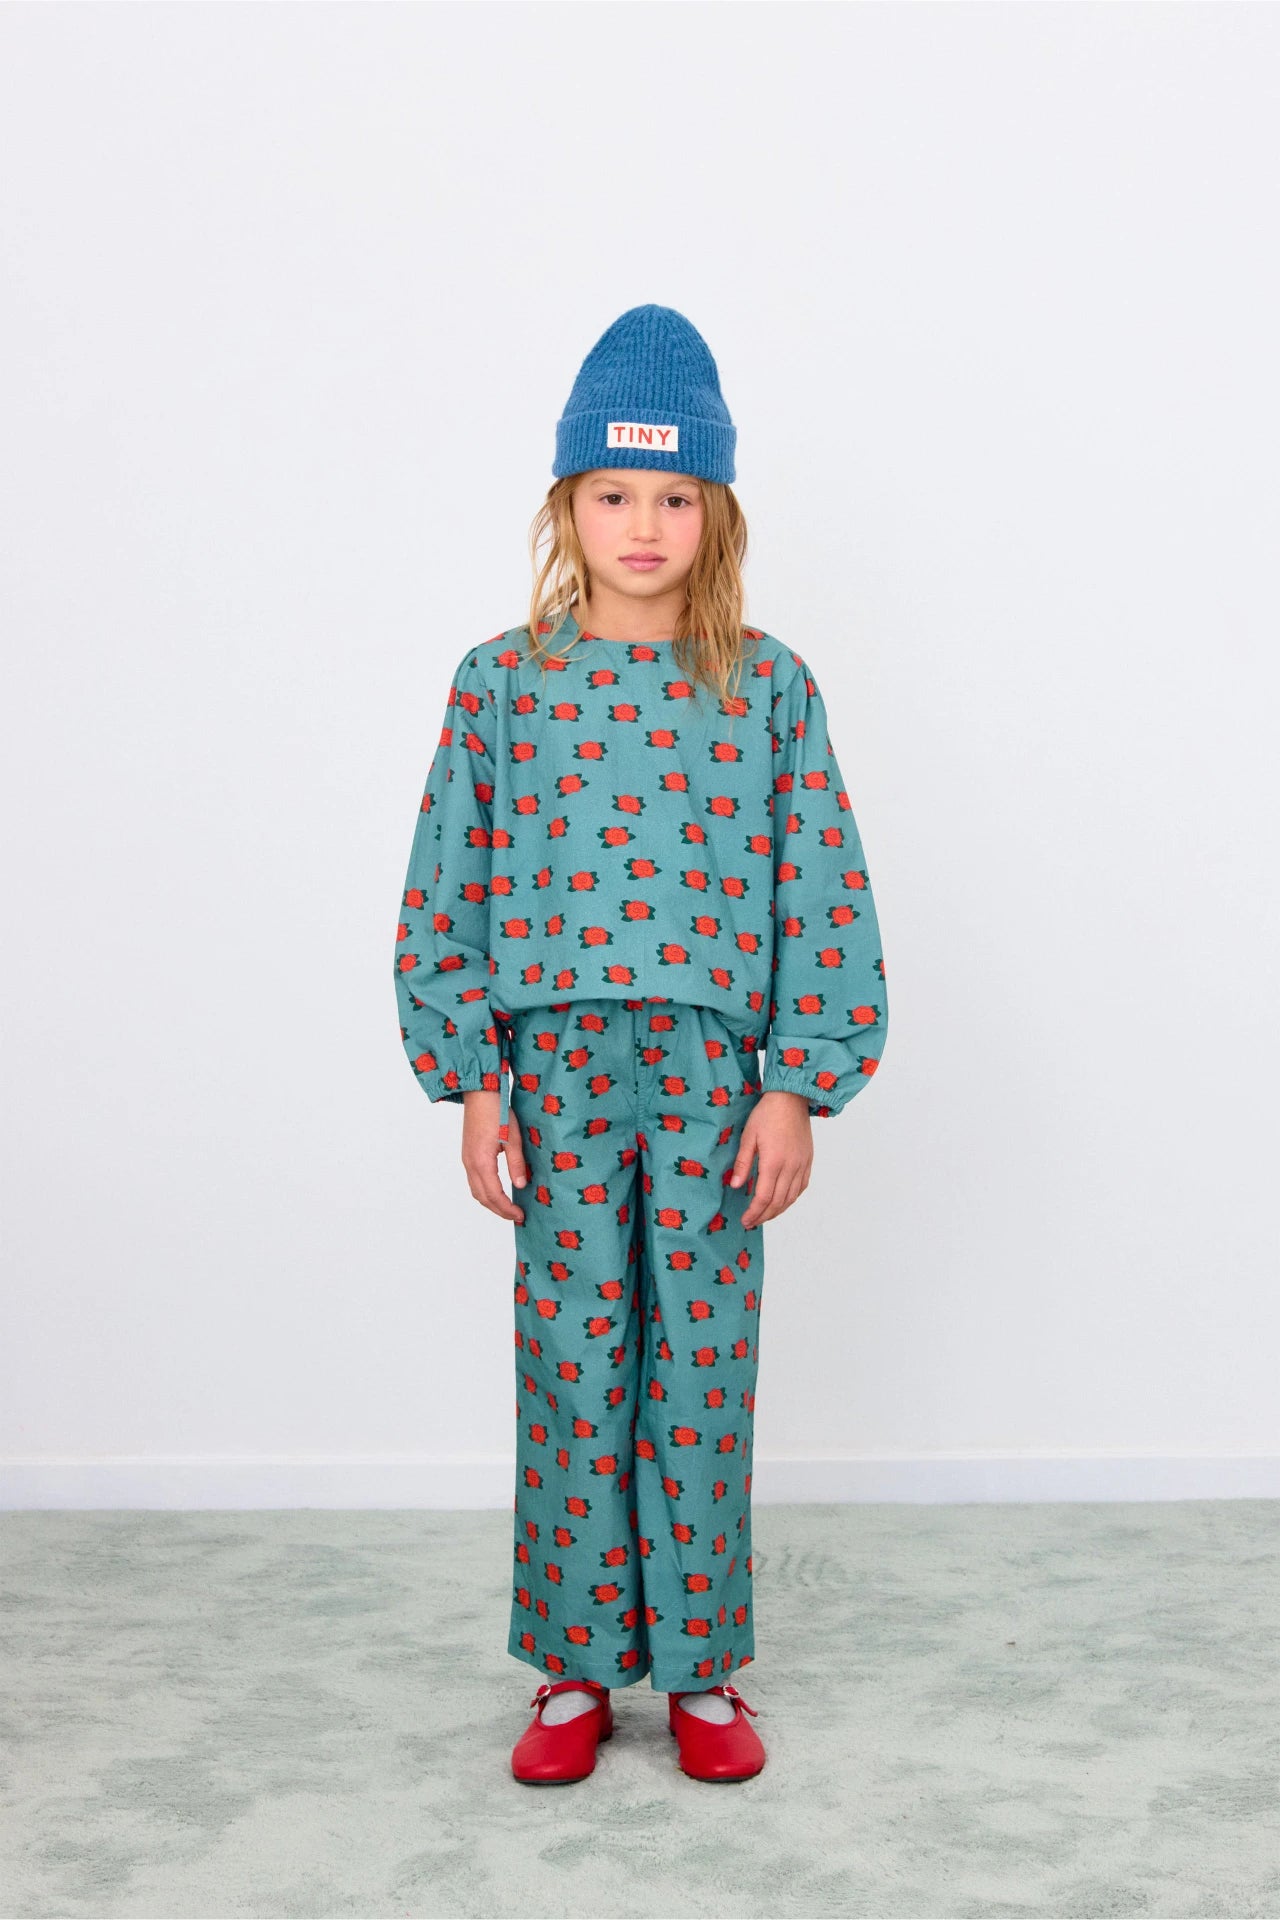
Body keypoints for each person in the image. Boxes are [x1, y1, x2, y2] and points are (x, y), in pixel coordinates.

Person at [392, 304, 889, 1784]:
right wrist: (472, 1078)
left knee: (702, 1365)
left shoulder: (769, 685)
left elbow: (822, 885)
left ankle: (702, 1670)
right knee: (574, 1359)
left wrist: (797, 1084)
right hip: (551, 1071)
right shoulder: (501, 683)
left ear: (716, 509)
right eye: (614, 492)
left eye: (676, 495)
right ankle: (572, 1671)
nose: (645, 525)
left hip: (710, 1078)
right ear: (567, 506)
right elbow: (449, 879)